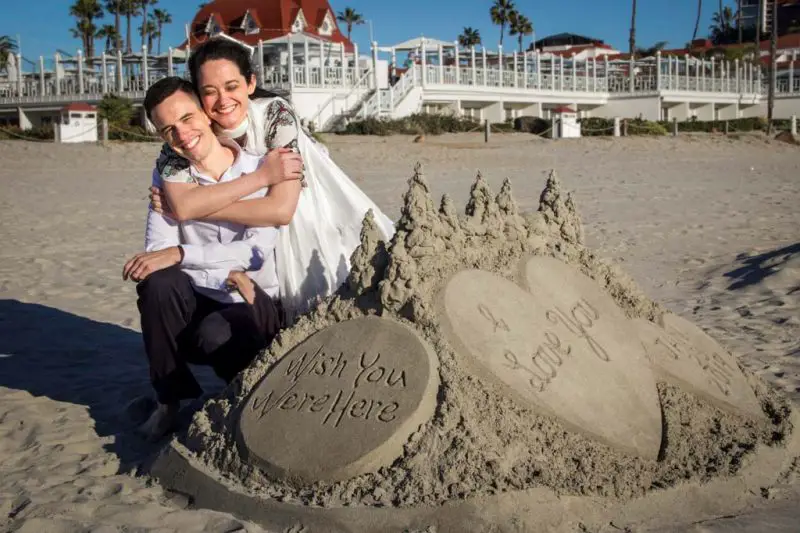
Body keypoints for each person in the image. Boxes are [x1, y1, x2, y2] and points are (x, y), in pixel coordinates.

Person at [150, 38, 394, 318]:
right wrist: (187, 205)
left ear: (250, 84)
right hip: (251, 222)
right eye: (209, 92)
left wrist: (197, 208)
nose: (222, 100)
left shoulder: (275, 115)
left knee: (321, 287)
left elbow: (281, 210)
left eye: (232, 87)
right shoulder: (188, 136)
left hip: (305, 202)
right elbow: (183, 207)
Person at [122, 76, 303, 440]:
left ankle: (243, 397)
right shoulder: (171, 178)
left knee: (215, 331)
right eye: (168, 129)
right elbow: (158, 249)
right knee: (157, 283)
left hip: (251, 302)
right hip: (198, 297)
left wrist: (182, 253)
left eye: (187, 118)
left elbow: (253, 252)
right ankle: (169, 403)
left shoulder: (259, 168)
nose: (182, 134)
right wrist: (187, 259)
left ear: (206, 115)